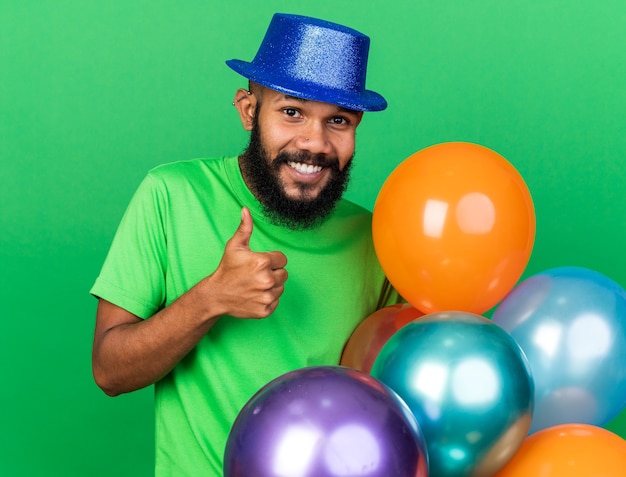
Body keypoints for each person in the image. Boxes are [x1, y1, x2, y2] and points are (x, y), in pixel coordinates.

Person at [91, 13, 400, 475]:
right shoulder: (172, 195)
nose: (314, 143)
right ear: (248, 110)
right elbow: (109, 372)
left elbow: (396, 400)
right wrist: (210, 299)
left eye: (338, 120)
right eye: (292, 111)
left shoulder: (378, 240)